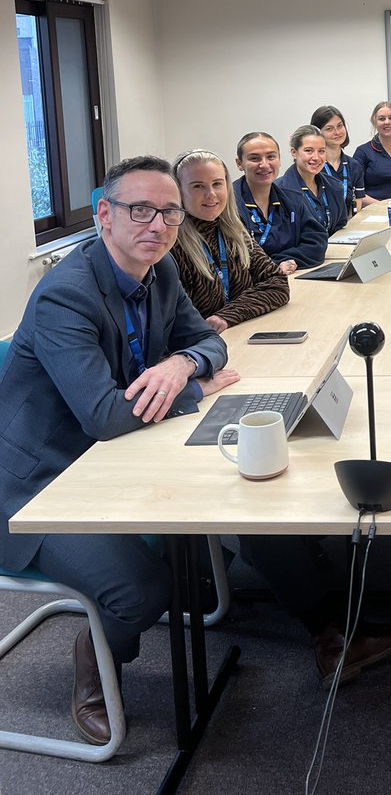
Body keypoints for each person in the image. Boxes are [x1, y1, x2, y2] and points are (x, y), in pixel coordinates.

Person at [0, 156, 238, 745]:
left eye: (169, 212)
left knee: (206, 531)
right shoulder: (66, 296)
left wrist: (186, 360)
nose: (156, 224)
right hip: (36, 489)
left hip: (103, 464)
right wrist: (194, 389)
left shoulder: (160, 273)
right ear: (105, 215)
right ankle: (95, 660)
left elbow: (207, 338)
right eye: (140, 210)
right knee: (143, 590)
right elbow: (105, 415)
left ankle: (134, 609)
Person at [171, 150, 290, 330]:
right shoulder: (172, 245)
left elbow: (278, 284)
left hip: (238, 336)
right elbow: (182, 321)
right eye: (198, 186)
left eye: (217, 184)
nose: (211, 194)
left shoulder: (234, 233)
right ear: (178, 192)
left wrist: (226, 316)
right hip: (201, 348)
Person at [233, 132, 327, 275]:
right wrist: (273, 266)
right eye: (254, 158)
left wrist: (281, 262)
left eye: (271, 157)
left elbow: (317, 244)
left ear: (280, 160)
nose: (264, 165)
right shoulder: (229, 206)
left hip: (291, 281)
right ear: (239, 164)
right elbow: (234, 260)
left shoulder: (293, 200)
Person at [280, 125, 349, 237]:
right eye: (309, 151)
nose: (316, 157)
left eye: (321, 151)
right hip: (301, 254)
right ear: (294, 153)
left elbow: (340, 224)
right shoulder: (281, 191)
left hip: (333, 251)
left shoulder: (334, 186)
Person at [310, 105, 366, 217]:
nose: (337, 132)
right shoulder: (313, 166)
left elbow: (357, 206)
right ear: (317, 133)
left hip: (347, 228)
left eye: (340, 126)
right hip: (319, 229)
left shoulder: (354, 166)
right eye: (329, 129)